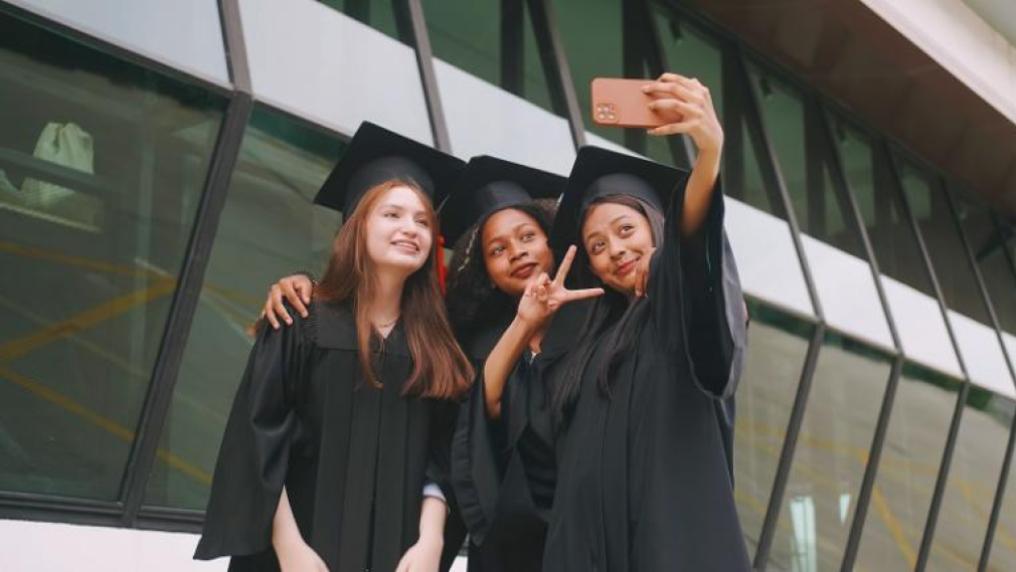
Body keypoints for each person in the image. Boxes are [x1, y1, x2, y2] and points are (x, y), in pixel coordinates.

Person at [483, 73, 749, 570]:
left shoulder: (675, 318)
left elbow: (693, 257)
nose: (616, 251)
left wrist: (709, 156)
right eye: (597, 247)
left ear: (657, 225)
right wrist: (531, 331)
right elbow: (528, 446)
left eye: (626, 230)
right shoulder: (583, 351)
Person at [193, 122, 474, 572]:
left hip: (397, 557)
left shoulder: (435, 345)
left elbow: (442, 457)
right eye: (393, 215)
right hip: (296, 557)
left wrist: (430, 542)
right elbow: (257, 441)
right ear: (356, 226)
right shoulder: (300, 321)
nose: (411, 229)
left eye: (423, 221)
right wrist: (291, 551)